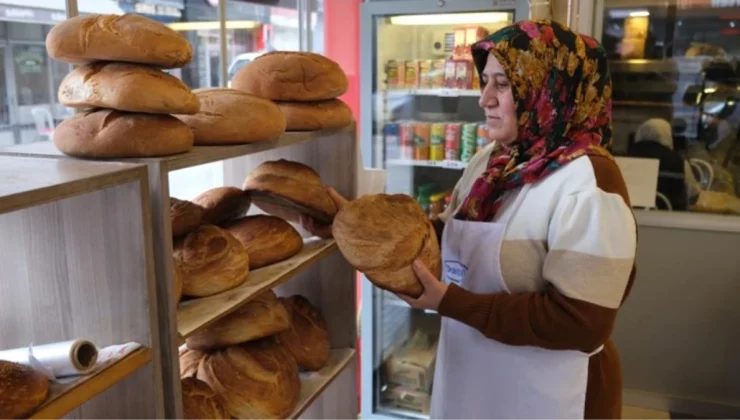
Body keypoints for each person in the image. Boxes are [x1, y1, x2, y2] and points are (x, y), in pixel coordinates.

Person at [302, 20, 637, 420]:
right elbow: (443, 237)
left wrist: (453, 302)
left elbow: (582, 322)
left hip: (548, 393)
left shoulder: (589, 180)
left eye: (503, 84)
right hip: (474, 378)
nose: (484, 99)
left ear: (550, 89)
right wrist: (354, 224)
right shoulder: (494, 161)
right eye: (486, 81)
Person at [629, 118, 701, 210]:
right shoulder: (679, 162)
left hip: (632, 218)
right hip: (670, 220)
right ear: (667, 135)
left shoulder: (626, 158)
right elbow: (694, 194)